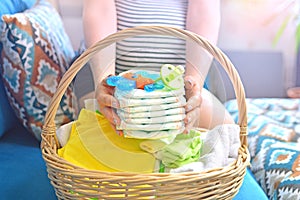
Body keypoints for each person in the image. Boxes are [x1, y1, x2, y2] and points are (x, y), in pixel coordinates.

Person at [82, 0, 234, 134]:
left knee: (226, 130)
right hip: (109, 78)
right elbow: (100, 8)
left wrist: (193, 84)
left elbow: (203, 10)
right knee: (90, 128)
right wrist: (106, 84)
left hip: (181, 86)